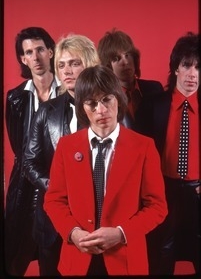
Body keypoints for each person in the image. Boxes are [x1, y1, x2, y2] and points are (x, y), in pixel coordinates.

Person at [43, 65, 168, 276]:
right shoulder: (66, 146)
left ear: (118, 99)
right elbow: (54, 200)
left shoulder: (144, 147)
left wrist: (121, 233)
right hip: (78, 259)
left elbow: (157, 207)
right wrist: (72, 233)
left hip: (125, 260)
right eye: (91, 103)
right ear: (82, 108)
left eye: (107, 100)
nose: (100, 110)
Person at [23, 34, 100, 276]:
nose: (67, 71)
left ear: (90, 63)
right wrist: (57, 186)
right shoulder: (47, 111)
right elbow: (29, 161)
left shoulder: (110, 107)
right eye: (62, 65)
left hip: (97, 222)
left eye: (74, 63)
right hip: (52, 222)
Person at [135, 32, 200, 275]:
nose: (193, 73)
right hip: (164, 191)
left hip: (197, 190)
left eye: (198, 67)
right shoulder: (154, 104)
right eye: (187, 65)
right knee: (161, 252)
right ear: (175, 68)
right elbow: (138, 154)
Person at [4, 26, 60, 276]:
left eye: (40, 50)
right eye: (28, 52)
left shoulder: (70, 90)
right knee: (15, 252)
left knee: (57, 254)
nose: (35, 58)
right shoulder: (15, 98)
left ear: (50, 51)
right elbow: (19, 146)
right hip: (25, 185)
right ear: (23, 59)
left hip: (60, 180)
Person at [97, 28, 164, 129]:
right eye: (117, 59)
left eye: (127, 55)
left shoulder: (154, 89)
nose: (125, 62)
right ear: (108, 66)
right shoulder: (103, 99)